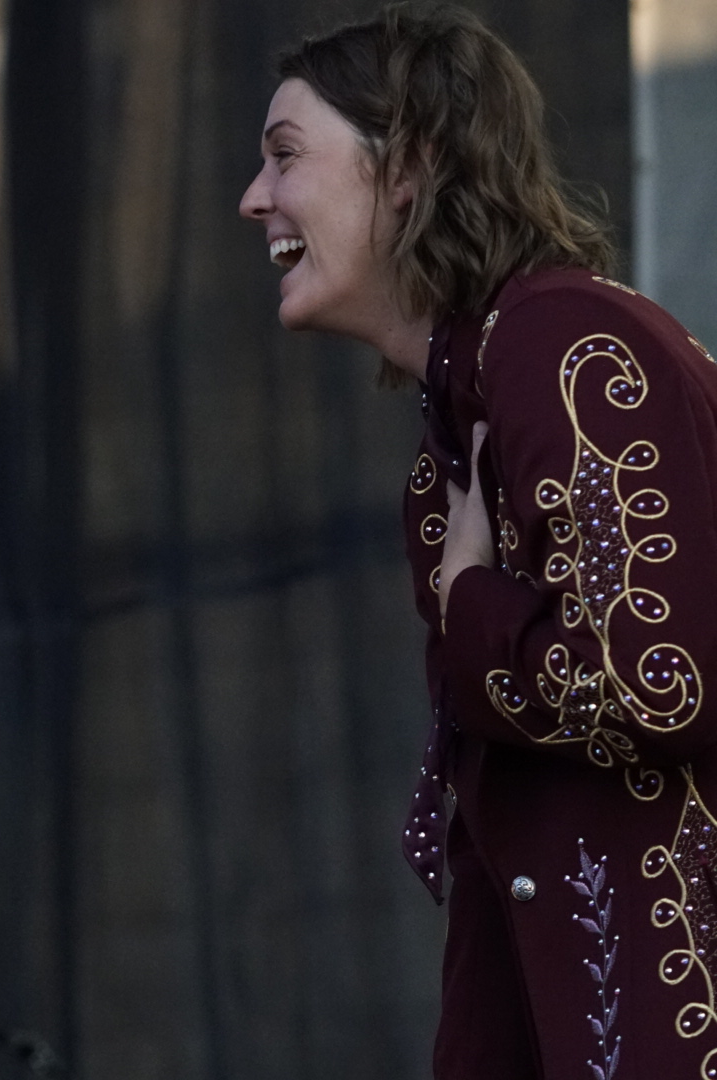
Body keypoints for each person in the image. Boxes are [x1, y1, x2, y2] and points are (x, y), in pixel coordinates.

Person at [241, 6, 717, 1076]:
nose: (254, 198)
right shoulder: (467, 405)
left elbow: (657, 682)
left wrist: (470, 605)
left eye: (284, 157)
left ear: (405, 166)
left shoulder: (566, 343)